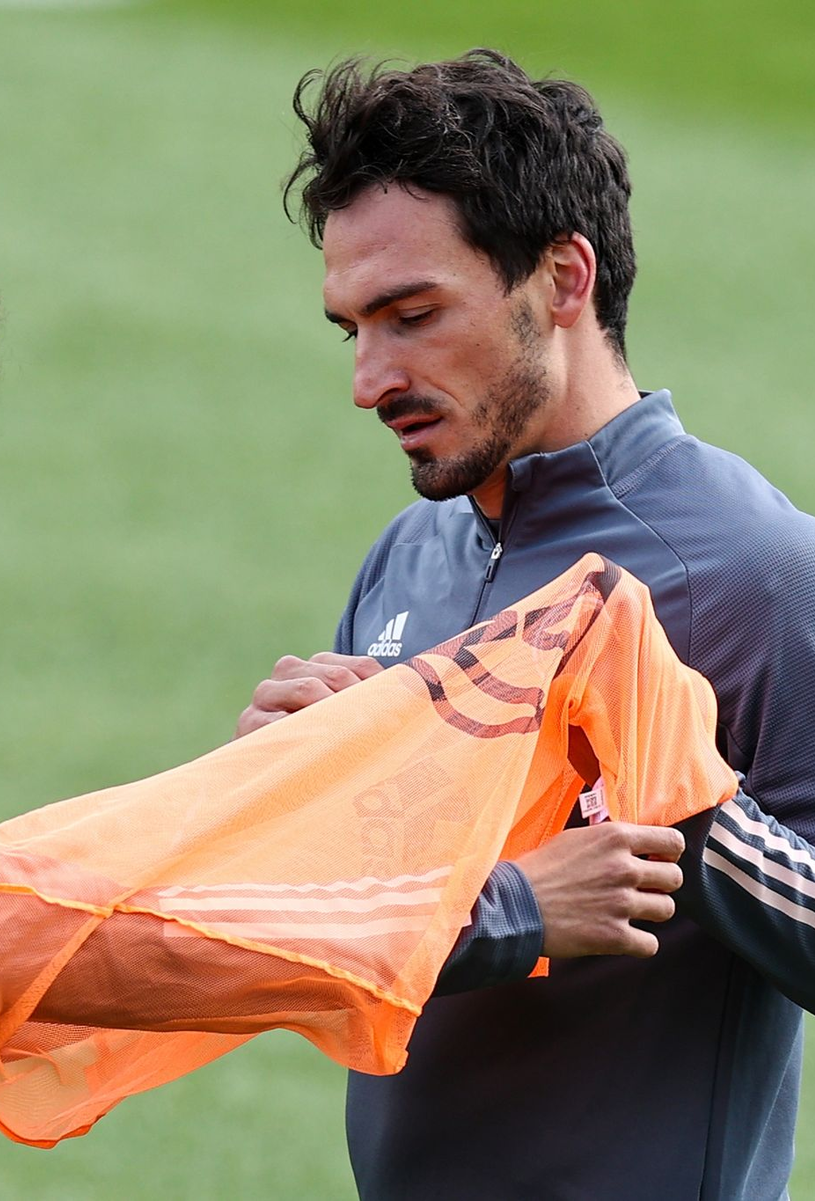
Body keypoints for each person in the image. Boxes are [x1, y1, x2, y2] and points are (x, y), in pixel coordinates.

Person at [236, 50, 815, 1199]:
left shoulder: (753, 572)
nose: (369, 377)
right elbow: (371, 936)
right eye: (351, 327)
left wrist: (682, 795)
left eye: (411, 316)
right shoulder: (412, 554)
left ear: (562, 278)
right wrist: (294, 787)